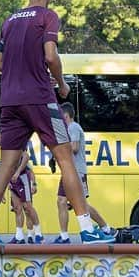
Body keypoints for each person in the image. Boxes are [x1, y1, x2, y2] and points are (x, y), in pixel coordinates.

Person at [0, 0, 113, 244]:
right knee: (65, 159)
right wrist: (60, 83)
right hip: (39, 97)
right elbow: (50, 55)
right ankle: (86, 229)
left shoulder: (10, 20)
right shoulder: (48, 16)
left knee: (5, 166)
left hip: (10, 101)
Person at [54, 103, 110, 243]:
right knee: (61, 201)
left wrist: (56, 147)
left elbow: (74, 148)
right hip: (69, 171)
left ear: (66, 115)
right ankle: (64, 236)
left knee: (82, 204)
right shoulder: (68, 128)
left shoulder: (73, 127)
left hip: (77, 171)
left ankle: (105, 228)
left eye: (60, 115)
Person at [0, 128, 41, 244]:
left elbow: (26, 157)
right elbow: (4, 169)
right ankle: (19, 237)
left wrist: (18, 172)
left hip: (22, 177)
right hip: (13, 181)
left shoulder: (14, 141)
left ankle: (38, 234)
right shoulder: (4, 149)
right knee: (17, 209)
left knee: (28, 207)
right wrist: (2, 190)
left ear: (0, 135)